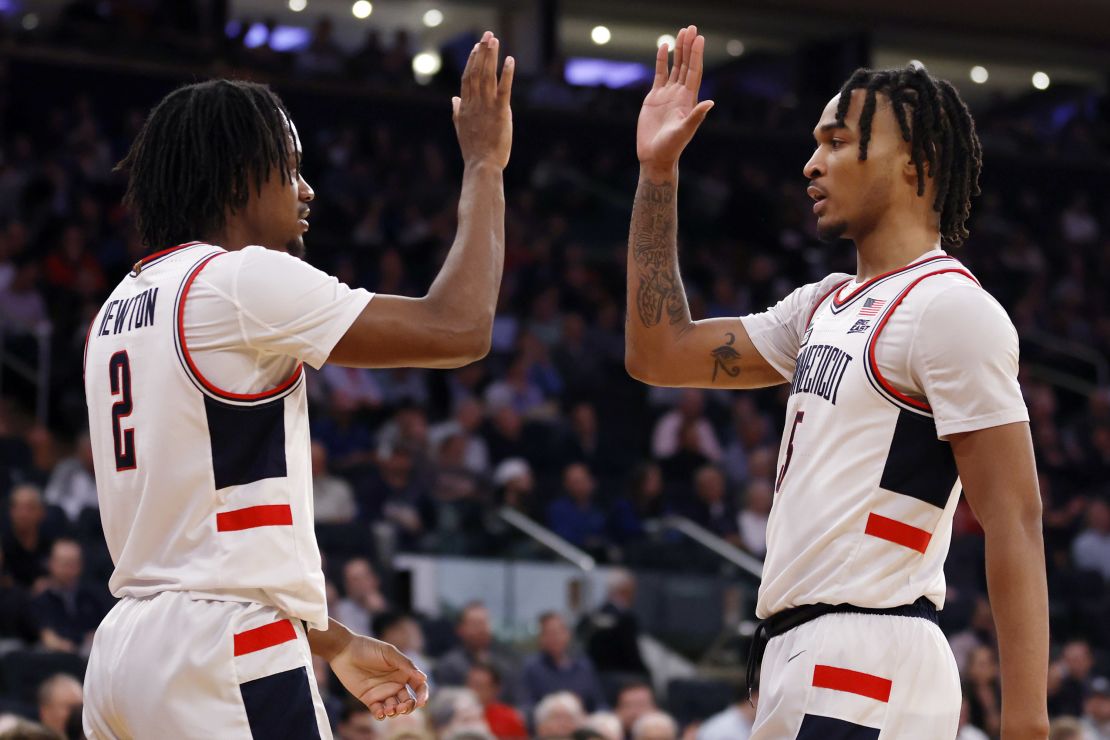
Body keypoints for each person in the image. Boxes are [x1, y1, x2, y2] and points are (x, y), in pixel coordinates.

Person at [81, 31, 514, 738]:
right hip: (221, 651)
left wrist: (333, 640)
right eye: (290, 167)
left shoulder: (120, 306)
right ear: (236, 177)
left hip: (123, 653)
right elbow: (459, 328)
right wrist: (485, 165)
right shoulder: (238, 278)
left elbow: (199, 550)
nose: (307, 189)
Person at [624, 24, 1048, 738]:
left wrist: (1027, 725)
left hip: (868, 652)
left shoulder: (950, 309)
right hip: (808, 652)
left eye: (838, 142)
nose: (811, 164)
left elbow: (1015, 519)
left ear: (918, 161)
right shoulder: (822, 305)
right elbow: (659, 353)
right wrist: (658, 176)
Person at [521, 612, 607, 714]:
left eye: (559, 631)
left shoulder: (584, 667)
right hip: (548, 723)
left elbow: (600, 704)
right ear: (541, 638)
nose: (555, 638)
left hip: (582, 722)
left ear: (568, 634)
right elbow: (525, 706)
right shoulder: (531, 668)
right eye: (549, 633)